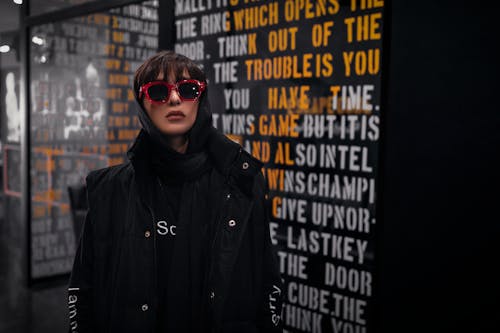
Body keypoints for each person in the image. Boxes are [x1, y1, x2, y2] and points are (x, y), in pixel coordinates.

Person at [67, 50, 283, 333]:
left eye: (188, 89)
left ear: (201, 98)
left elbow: (266, 281)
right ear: (141, 103)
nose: (174, 99)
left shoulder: (241, 182)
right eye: (158, 91)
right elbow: (83, 289)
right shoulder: (109, 190)